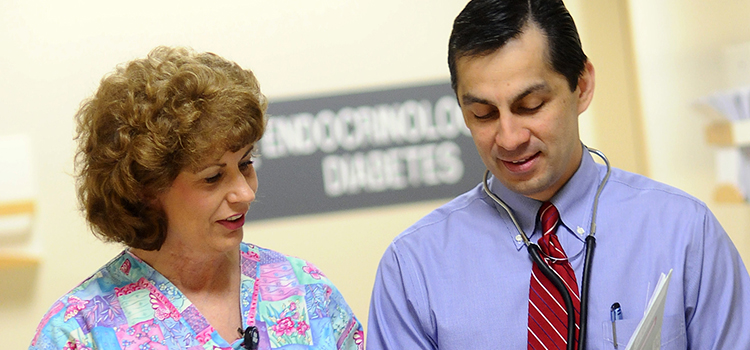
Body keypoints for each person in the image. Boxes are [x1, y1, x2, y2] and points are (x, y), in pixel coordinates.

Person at [367, 0, 750, 349]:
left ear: (581, 86)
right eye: (483, 114)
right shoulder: (413, 268)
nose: (510, 138)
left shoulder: (683, 233)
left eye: (531, 105)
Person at [30, 46, 364, 350]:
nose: (245, 194)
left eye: (246, 164)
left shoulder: (305, 291)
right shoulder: (80, 332)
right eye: (214, 177)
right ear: (146, 189)